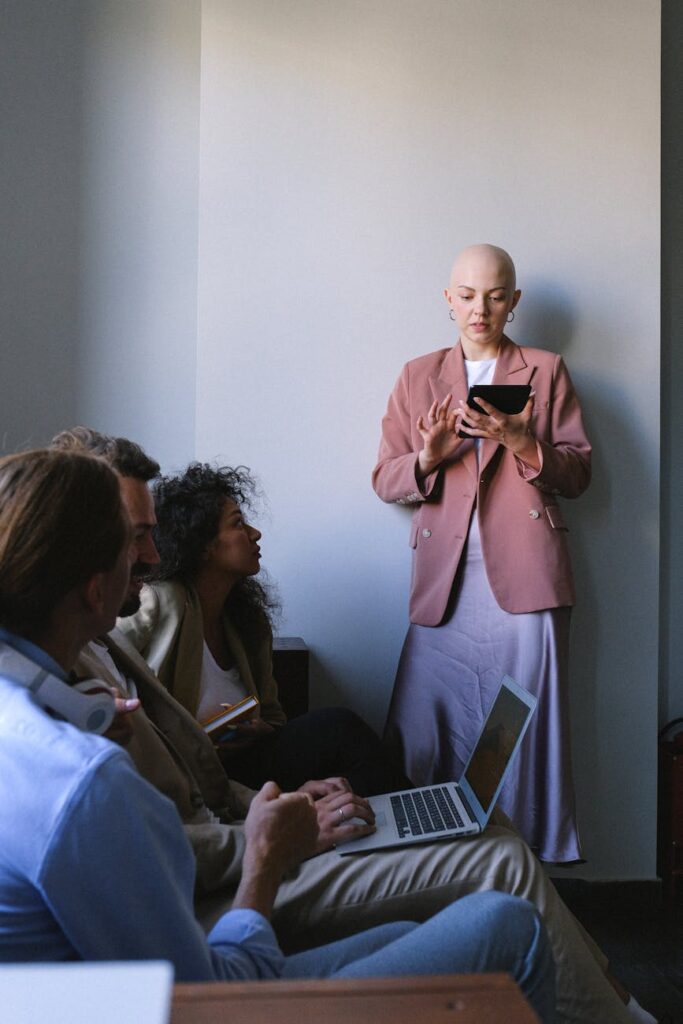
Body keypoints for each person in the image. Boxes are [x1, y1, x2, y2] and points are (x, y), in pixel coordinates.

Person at [52, 427, 648, 1024]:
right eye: (137, 538)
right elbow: (164, 837)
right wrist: (278, 835)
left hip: (243, 822)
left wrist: (286, 803)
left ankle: (600, 986)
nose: (152, 556)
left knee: (488, 827)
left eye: (152, 535)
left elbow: (201, 781)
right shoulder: (70, 696)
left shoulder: (114, 644)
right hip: (224, 878)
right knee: (498, 862)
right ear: (80, 551)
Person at [373, 244, 591, 864]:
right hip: (446, 578)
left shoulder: (545, 370)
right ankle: (432, 863)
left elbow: (578, 475)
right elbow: (386, 479)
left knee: (519, 725)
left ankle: (523, 865)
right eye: (467, 295)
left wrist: (526, 443)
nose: (480, 308)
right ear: (448, 300)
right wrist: (428, 457)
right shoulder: (418, 376)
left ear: (514, 301)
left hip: (526, 574)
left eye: (495, 295)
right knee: (427, 723)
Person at [118, 461, 411, 797]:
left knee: (340, 738)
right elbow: (104, 654)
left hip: (240, 765)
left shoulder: (247, 621)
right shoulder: (162, 600)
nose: (255, 533)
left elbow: (275, 717)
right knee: (338, 728)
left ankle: (406, 825)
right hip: (181, 772)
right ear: (202, 545)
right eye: (238, 524)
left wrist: (261, 731)